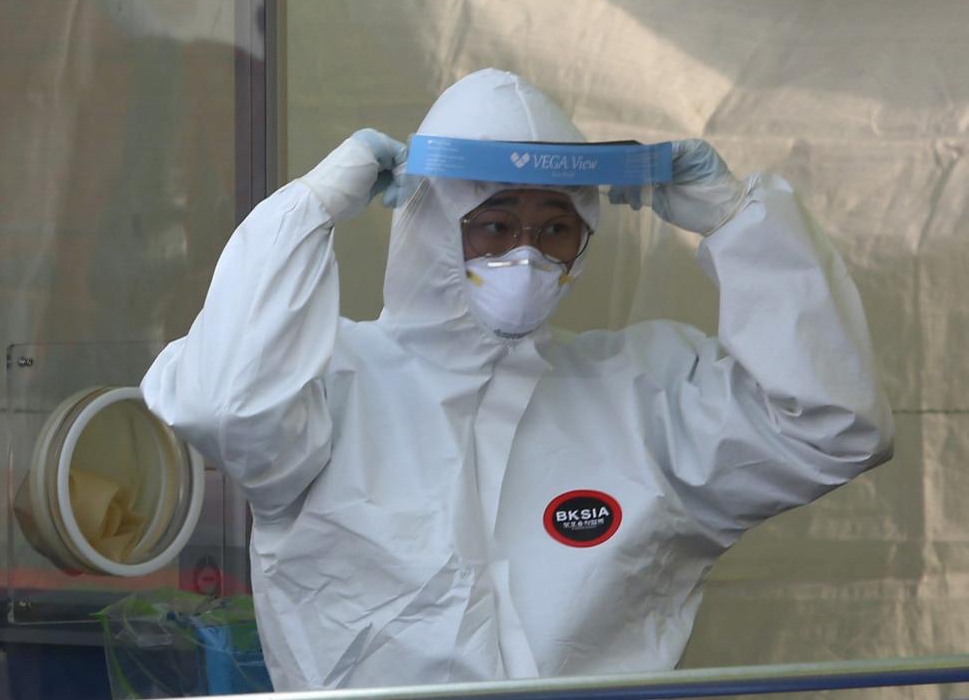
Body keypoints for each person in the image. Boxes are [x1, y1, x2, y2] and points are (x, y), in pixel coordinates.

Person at [141, 68, 893, 690]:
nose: (526, 256)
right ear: (434, 224)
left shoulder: (643, 392)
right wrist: (305, 211)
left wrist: (741, 224)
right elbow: (223, 406)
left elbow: (832, 427)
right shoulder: (332, 383)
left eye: (556, 227)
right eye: (495, 223)